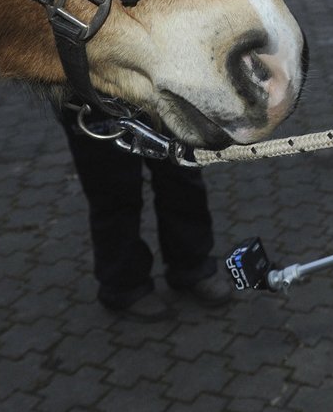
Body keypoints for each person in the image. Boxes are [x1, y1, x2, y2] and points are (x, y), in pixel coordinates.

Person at [56, 105, 231, 322]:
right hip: (93, 95)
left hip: (161, 87)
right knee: (113, 190)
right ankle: (123, 286)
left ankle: (191, 265)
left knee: (182, 174)